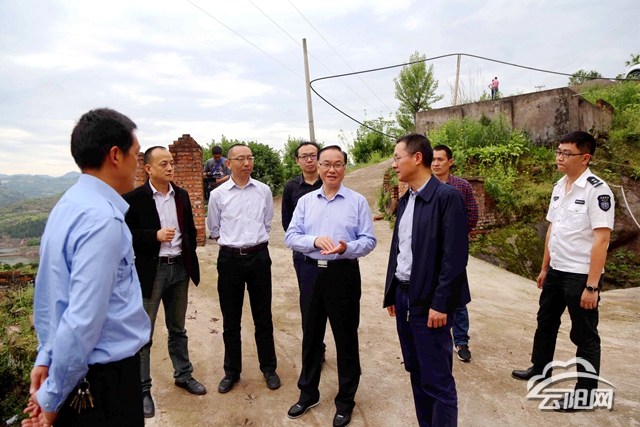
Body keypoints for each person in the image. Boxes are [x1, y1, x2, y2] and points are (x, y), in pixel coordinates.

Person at [22, 108, 151, 427]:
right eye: (136, 155)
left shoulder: (68, 204)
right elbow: (82, 320)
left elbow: (51, 295)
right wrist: (51, 400)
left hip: (74, 371)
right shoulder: (103, 220)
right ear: (116, 155)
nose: (138, 164)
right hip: (101, 384)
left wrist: (46, 357)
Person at [512, 131, 614, 412]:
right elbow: (552, 229)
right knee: (546, 321)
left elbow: (602, 240)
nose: (559, 157)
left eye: (567, 153)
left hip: (581, 275)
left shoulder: (597, 190)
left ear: (585, 157)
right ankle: (540, 369)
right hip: (556, 270)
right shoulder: (559, 185)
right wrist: (545, 267)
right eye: (558, 151)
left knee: (584, 335)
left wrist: (592, 286)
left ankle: (586, 395)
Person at [285, 145, 377, 427]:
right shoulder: (305, 202)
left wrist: (347, 248)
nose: (331, 169)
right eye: (326, 164)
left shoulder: (357, 201)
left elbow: (369, 240)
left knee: (346, 339)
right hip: (311, 274)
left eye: (337, 164)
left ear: (345, 168)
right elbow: (290, 237)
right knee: (311, 336)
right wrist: (313, 241)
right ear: (318, 167)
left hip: (343, 274)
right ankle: (308, 393)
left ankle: (345, 401)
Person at [383, 133, 470, 427]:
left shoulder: (447, 197)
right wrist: (393, 293)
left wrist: (441, 303)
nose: (394, 164)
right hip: (404, 296)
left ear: (417, 158)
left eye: (398, 157)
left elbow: (454, 257)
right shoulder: (407, 199)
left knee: (437, 378)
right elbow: (400, 251)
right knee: (416, 371)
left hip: (431, 302)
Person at [123, 146, 206, 419]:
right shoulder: (134, 199)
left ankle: (183, 375)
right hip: (152, 271)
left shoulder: (181, 195)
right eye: (163, 164)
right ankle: (142, 390)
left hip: (179, 269)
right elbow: (125, 234)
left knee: (178, 329)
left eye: (171, 163)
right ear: (148, 169)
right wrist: (154, 236)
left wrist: (189, 256)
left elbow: (189, 230)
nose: (170, 168)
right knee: (143, 334)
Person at [206, 143, 281, 394]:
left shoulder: (263, 190)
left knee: (263, 316)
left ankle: (268, 368)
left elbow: (267, 222)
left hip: (259, 257)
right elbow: (214, 229)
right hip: (230, 260)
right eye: (240, 158)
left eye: (250, 158)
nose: (247, 163)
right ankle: (232, 371)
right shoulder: (218, 195)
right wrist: (233, 243)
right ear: (228, 163)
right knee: (231, 319)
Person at [432, 144, 479, 363]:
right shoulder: (425, 187)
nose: (436, 163)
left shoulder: (462, 186)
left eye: (440, 159)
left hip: (454, 252)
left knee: (457, 295)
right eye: (433, 159)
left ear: (450, 162)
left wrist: (455, 238)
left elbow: (472, 215)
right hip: (430, 252)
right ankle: (437, 339)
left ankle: (461, 341)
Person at [281, 142, 326, 360]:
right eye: (304, 156)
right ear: (297, 161)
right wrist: (310, 242)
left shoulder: (328, 182)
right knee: (310, 303)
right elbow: (287, 224)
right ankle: (315, 350)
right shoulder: (291, 187)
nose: (309, 160)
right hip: (303, 256)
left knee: (332, 301)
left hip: (331, 253)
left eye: (313, 155)